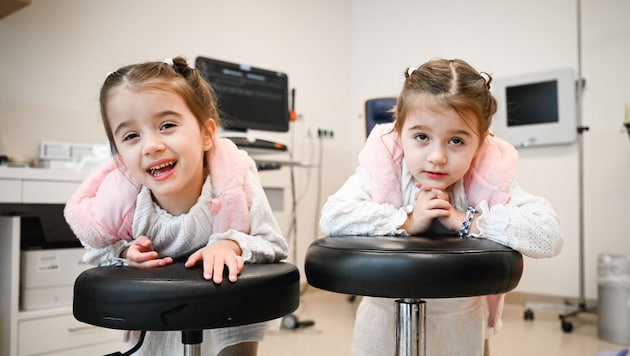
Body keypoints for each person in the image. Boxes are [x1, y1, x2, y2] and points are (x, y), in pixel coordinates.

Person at [319, 58, 563, 356]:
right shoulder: (385, 170)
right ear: (399, 134)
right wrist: (407, 220)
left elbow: (548, 235)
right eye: (421, 137)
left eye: (457, 141)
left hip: (459, 324)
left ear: (480, 145)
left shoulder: (486, 181)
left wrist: (467, 221)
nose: (437, 156)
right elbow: (333, 217)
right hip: (382, 322)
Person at [64, 56, 288, 356]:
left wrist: (231, 244)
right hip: (157, 314)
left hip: (229, 310)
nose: (151, 146)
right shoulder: (122, 199)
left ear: (207, 135)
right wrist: (124, 253)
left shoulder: (235, 183)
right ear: (118, 153)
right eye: (131, 136)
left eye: (167, 125)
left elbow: (273, 244)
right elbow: (96, 250)